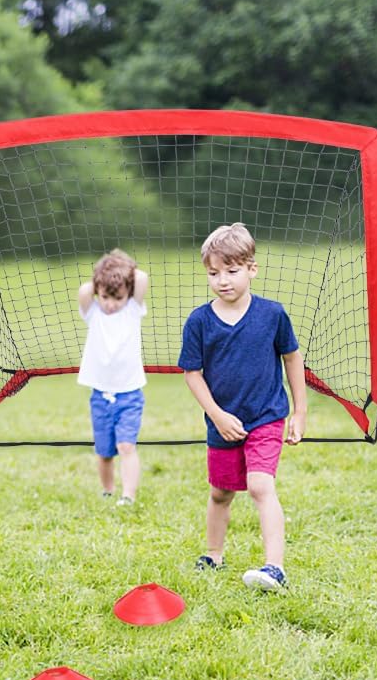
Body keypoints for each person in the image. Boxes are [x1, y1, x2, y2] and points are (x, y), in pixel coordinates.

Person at [177, 222, 306, 591]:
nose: (223, 280)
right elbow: (192, 374)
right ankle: (213, 555)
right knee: (220, 492)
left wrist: (299, 412)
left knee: (260, 486)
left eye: (232, 271)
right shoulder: (199, 322)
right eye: (214, 273)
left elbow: (292, 359)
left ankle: (274, 568)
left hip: (266, 416)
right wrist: (217, 415)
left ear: (252, 268)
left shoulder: (272, 315)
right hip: (222, 423)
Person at [77, 249, 149, 505]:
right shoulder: (93, 312)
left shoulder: (133, 309)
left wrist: (123, 275)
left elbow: (141, 277)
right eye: (106, 297)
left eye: (116, 297)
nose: (110, 304)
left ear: (127, 294)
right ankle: (107, 490)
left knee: (126, 446)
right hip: (100, 394)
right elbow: (85, 290)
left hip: (129, 394)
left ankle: (127, 495)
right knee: (104, 452)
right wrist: (102, 281)